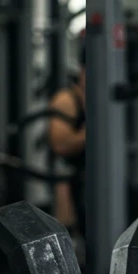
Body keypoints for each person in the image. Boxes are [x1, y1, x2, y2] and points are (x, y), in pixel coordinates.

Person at [47, 52, 86, 234]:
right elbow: (61, 145)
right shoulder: (67, 100)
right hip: (72, 185)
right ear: (82, 71)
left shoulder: (107, 100)